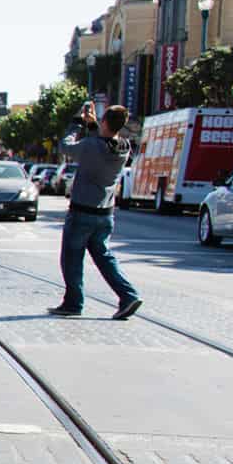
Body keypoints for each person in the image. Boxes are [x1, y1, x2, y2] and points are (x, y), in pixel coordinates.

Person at [50, 102, 143, 319]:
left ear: (104, 122)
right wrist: (93, 126)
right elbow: (102, 144)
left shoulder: (91, 146)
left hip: (82, 211)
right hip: (105, 214)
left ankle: (73, 303)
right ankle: (128, 295)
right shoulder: (123, 147)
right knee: (104, 257)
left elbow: (66, 147)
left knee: (71, 258)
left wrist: (77, 123)